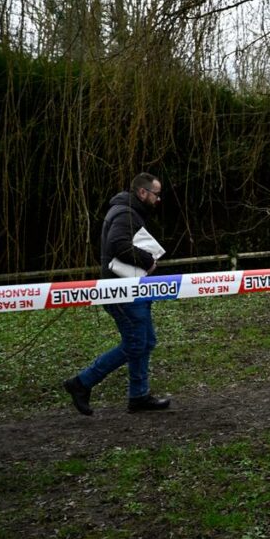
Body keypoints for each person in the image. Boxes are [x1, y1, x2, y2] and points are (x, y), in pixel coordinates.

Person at [63, 172, 172, 416]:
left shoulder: (129, 211)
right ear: (142, 193)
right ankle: (81, 383)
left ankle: (139, 396)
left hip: (131, 290)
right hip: (121, 292)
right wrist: (148, 262)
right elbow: (119, 245)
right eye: (156, 194)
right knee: (136, 343)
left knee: (146, 341)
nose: (158, 200)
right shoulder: (125, 213)